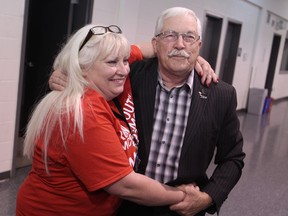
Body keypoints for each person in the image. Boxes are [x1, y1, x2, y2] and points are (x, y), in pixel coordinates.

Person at [15, 23, 206, 216]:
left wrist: (189, 58)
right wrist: (182, 196)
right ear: (82, 68)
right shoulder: (83, 111)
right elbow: (126, 185)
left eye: (124, 61)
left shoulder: (106, 86)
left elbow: (144, 49)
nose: (124, 69)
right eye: (113, 63)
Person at [115, 7, 245, 216]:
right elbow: (94, 64)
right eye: (170, 35)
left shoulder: (221, 95)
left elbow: (233, 158)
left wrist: (208, 197)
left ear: (199, 45)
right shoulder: (130, 77)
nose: (180, 44)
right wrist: (61, 76)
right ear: (155, 44)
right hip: (127, 205)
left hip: (184, 207)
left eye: (189, 37)